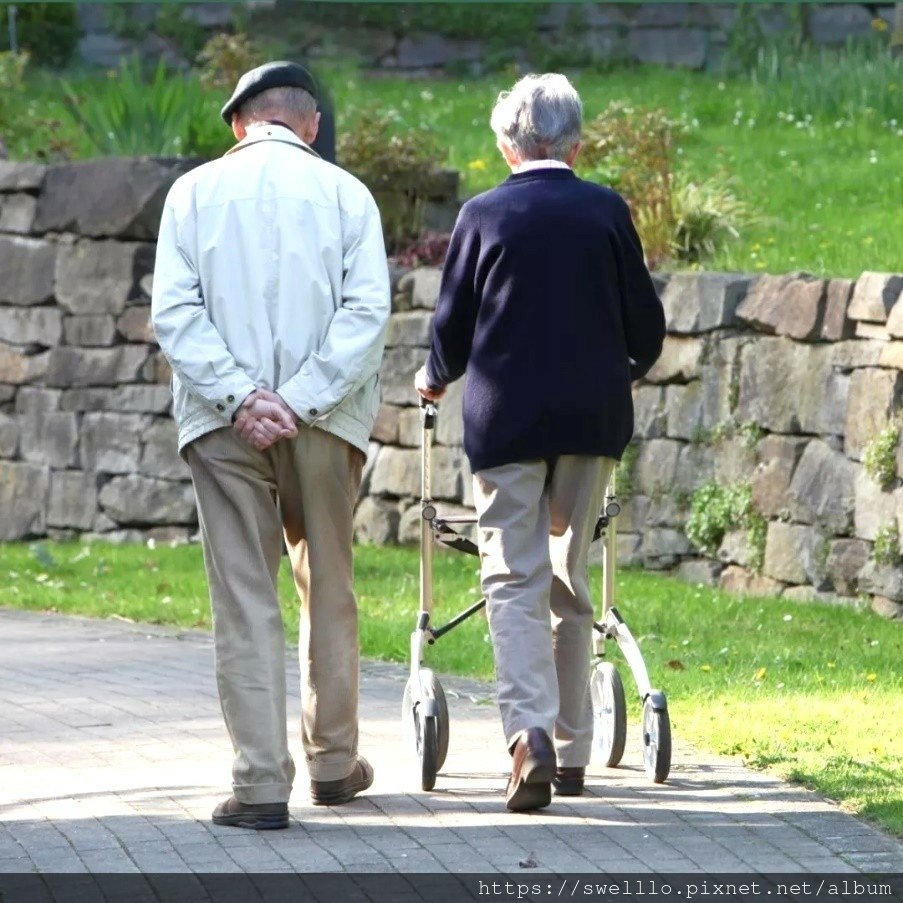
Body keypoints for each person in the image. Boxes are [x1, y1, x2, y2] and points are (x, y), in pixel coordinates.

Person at [415, 73, 665, 812]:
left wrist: (433, 379)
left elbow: (453, 329)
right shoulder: (605, 211)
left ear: (504, 147)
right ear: (575, 143)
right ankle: (574, 747)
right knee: (569, 572)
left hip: (507, 422)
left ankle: (529, 738)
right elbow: (644, 327)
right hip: (591, 420)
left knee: (512, 578)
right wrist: (622, 371)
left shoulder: (483, 214)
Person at [152, 61, 390, 829]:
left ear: (237, 124)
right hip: (323, 419)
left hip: (223, 426)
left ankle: (258, 784)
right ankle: (330, 761)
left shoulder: (191, 193)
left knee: (244, 595)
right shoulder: (348, 194)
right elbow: (365, 313)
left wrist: (239, 397)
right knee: (328, 580)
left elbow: (175, 312)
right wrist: (299, 398)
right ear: (310, 124)